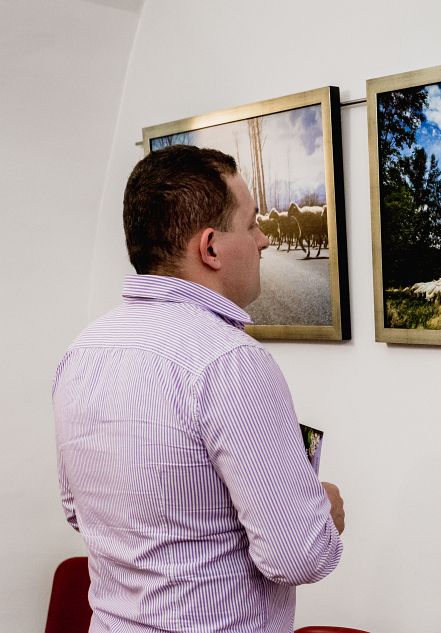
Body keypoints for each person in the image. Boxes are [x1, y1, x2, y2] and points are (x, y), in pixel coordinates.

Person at [52, 145, 345, 633]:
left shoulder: (82, 351)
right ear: (210, 248)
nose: (264, 240)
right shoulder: (230, 362)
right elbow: (298, 555)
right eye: (251, 224)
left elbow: (77, 512)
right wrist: (323, 512)